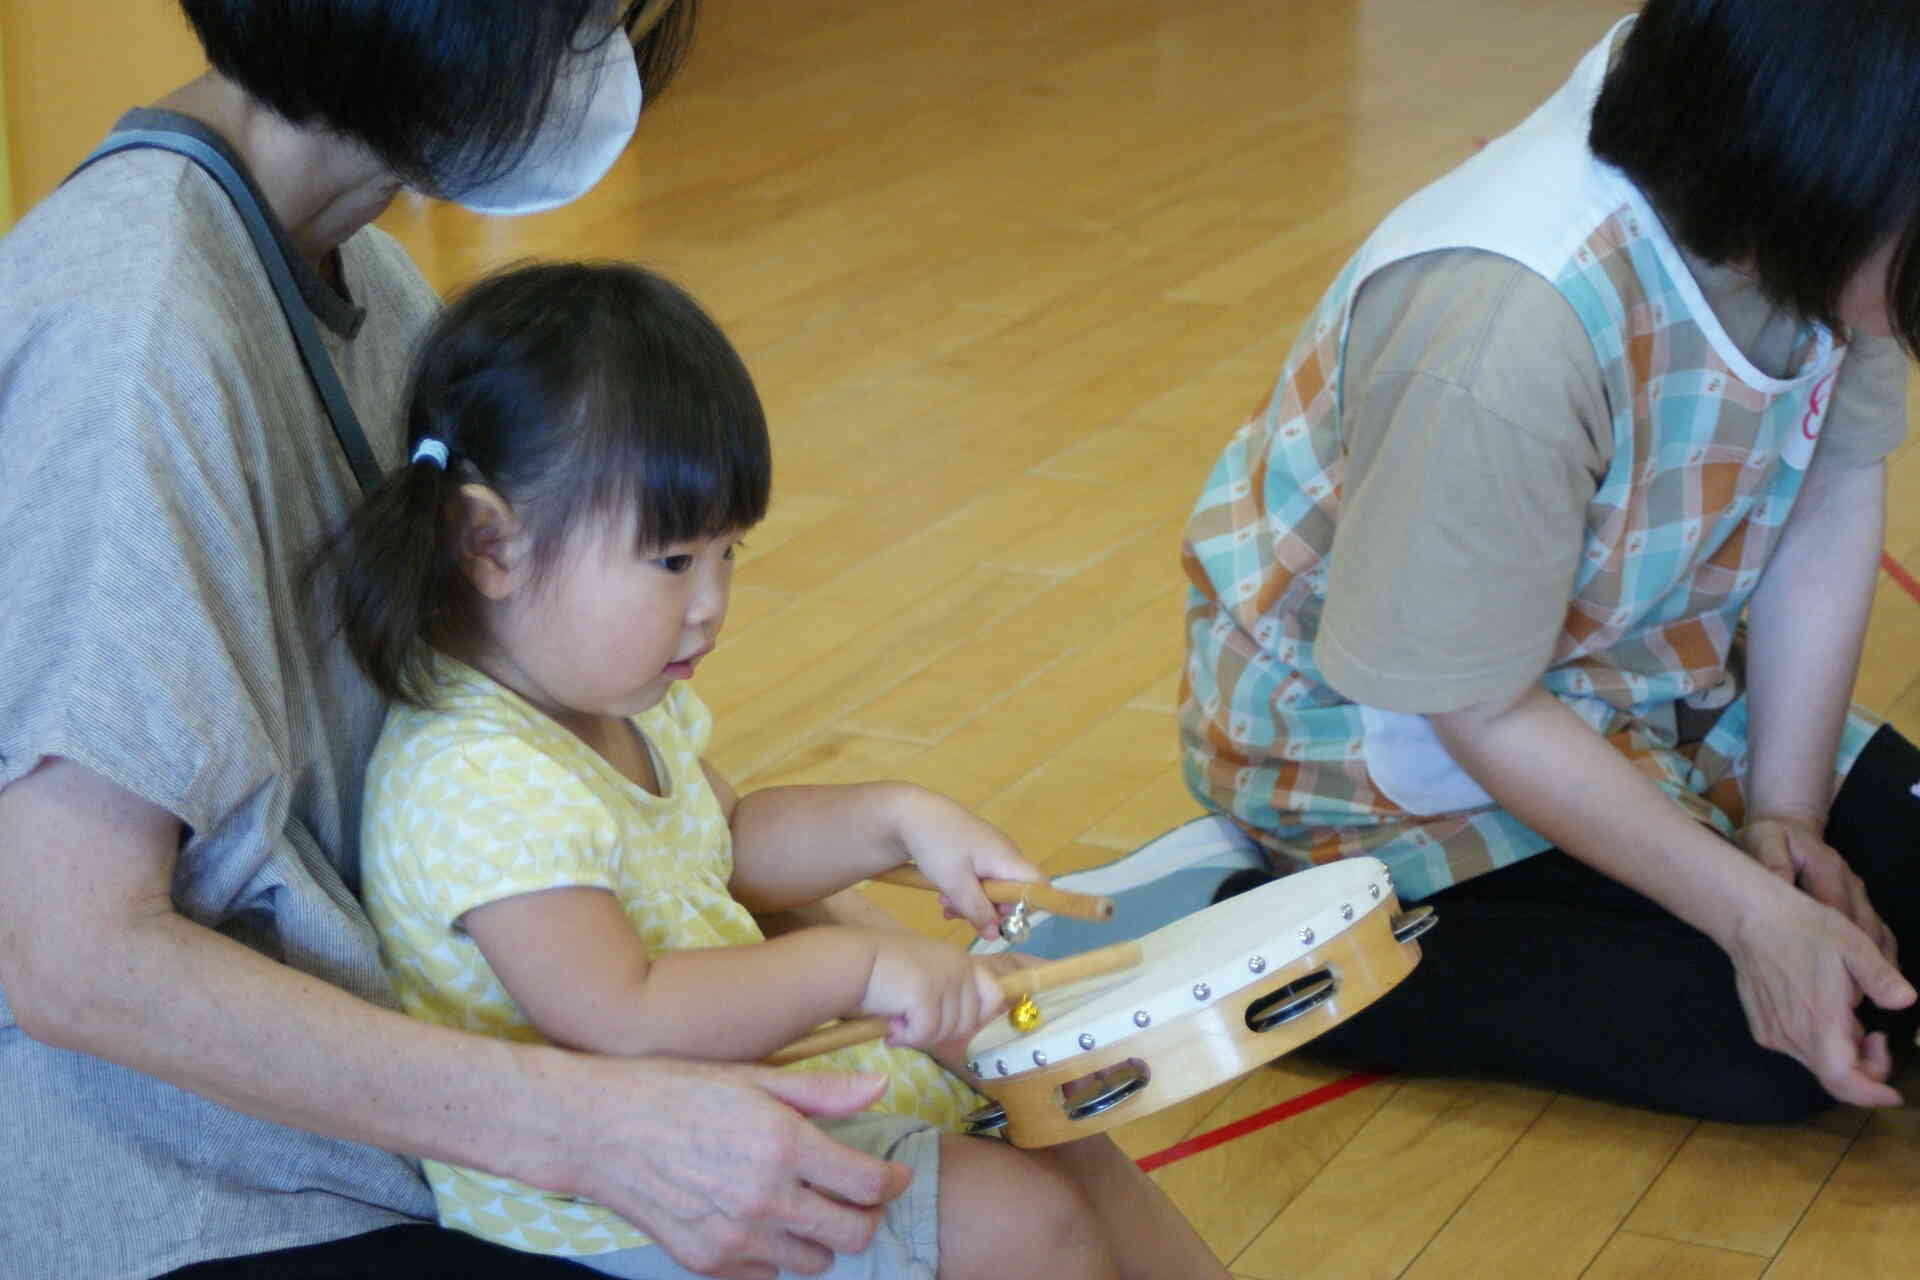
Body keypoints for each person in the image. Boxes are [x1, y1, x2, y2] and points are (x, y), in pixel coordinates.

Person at [0, 4, 977, 1277]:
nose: (598, 57)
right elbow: (72, 955)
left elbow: (642, 815)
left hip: (419, 1121)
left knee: (1001, 1157)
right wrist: (594, 1130)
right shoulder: (128, 330)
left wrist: (887, 970)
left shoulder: (371, 283)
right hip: (217, 1197)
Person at [314, 259, 1231, 1280]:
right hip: (622, 1201)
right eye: (673, 561)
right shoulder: (474, 779)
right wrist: (864, 967)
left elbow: (729, 841)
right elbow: (627, 1011)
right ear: (490, 542)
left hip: (728, 1089)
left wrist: (898, 819)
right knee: (1018, 1217)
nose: (709, 602)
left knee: (1065, 1132)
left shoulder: (608, 699)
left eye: (727, 554)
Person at [1181, 0, 1920, 1124]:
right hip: (1389, 747)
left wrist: (1788, 815)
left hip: (1636, 678)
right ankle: (1287, 931)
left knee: (1863, 936)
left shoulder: (1796, 166)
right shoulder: (1505, 323)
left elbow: (1830, 485)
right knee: (1770, 1041)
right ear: (1825, 175)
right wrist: (1753, 913)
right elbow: (1472, 700)